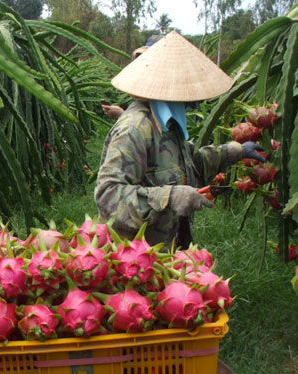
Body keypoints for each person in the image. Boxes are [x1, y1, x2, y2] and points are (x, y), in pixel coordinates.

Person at [95, 31, 264, 248]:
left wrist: (235, 151)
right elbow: (109, 196)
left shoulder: (168, 125)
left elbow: (194, 163)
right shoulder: (135, 129)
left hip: (165, 250)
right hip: (133, 262)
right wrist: (169, 198)